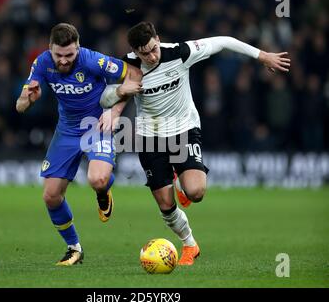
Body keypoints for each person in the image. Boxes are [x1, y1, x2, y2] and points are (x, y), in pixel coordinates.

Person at [100, 21, 290, 265]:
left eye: (153, 48)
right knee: (166, 205)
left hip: (183, 130)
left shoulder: (180, 52)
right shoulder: (126, 66)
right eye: (144, 53)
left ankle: (180, 178)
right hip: (149, 137)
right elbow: (104, 99)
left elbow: (223, 41)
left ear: (157, 39)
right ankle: (190, 245)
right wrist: (119, 93)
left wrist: (261, 55)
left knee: (196, 192)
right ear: (135, 52)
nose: (151, 56)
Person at [16, 23, 142, 266]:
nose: (63, 61)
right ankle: (74, 248)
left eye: (69, 55)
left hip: (97, 124)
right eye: (58, 55)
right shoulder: (42, 63)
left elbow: (135, 75)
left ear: (78, 48)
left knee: (98, 180)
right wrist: (27, 99)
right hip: (67, 129)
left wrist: (114, 111)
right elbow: (20, 107)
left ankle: (104, 192)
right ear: (50, 49)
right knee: (51, 196)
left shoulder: (93, 60)